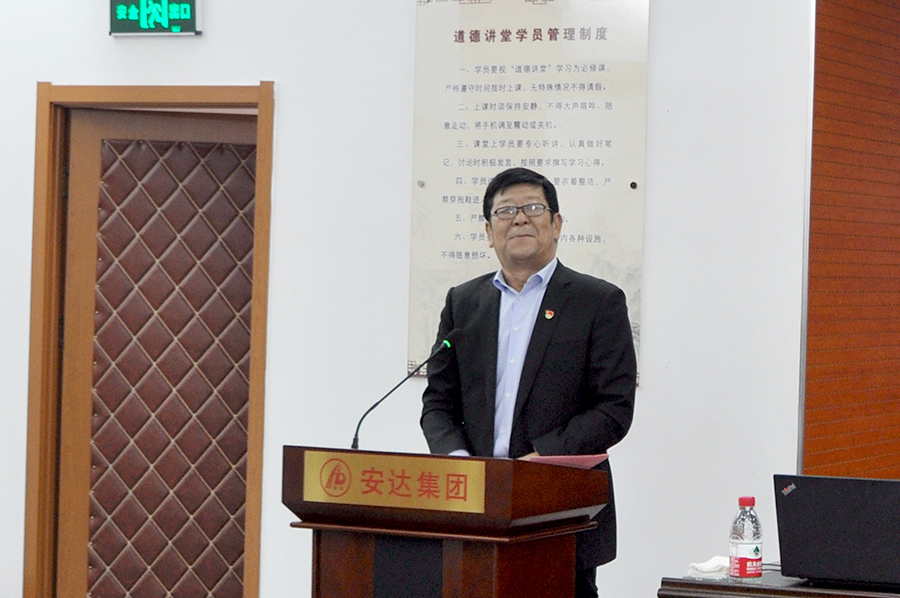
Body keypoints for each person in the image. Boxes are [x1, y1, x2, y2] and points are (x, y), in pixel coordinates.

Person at [420, 167, 637, 598]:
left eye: (533, 208)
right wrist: (460, 462)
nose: (519, 218)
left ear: (556, 224)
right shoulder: (464, 302)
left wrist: (541, 459)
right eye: (505, 211)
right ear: (489, 232)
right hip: (475, 506)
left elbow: (614, 407)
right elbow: (438, 403)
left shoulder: (598, 301)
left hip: (558, 505)